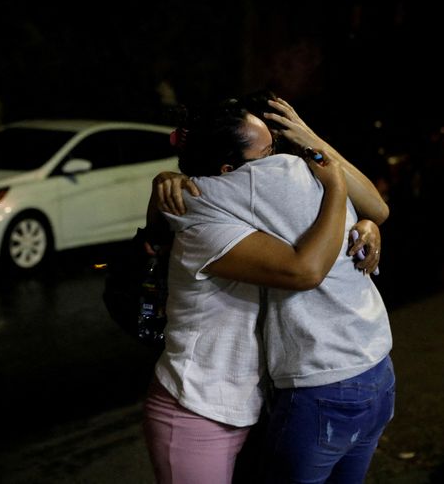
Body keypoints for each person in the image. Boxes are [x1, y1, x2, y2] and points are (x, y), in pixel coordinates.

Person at [146, 94, 394, 483]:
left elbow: (375, 211)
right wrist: (335, 189)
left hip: (253, 401)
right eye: (270, 153)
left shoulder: (240, 200)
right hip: (198, 404)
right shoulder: (201, 212)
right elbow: (305, 269)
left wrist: (361, 223)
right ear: (230, 170)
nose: (285, 161)